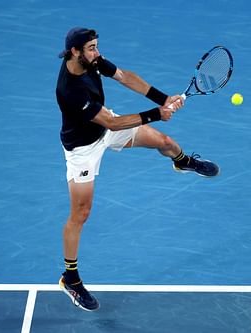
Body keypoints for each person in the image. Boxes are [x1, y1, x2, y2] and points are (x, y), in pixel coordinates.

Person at [55, 27, 219, 311]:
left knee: (163, 141)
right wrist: (157, 114)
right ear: (74, 52)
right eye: (91, 48)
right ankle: (70, 278)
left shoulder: (91, 60)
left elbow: (123, 76)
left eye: (96, 46)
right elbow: (112, 123)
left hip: (104, 125)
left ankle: (181, 161)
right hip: (83, 149)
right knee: (80, 214)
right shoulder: (71, 90)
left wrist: (162, 99)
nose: (96, 52)